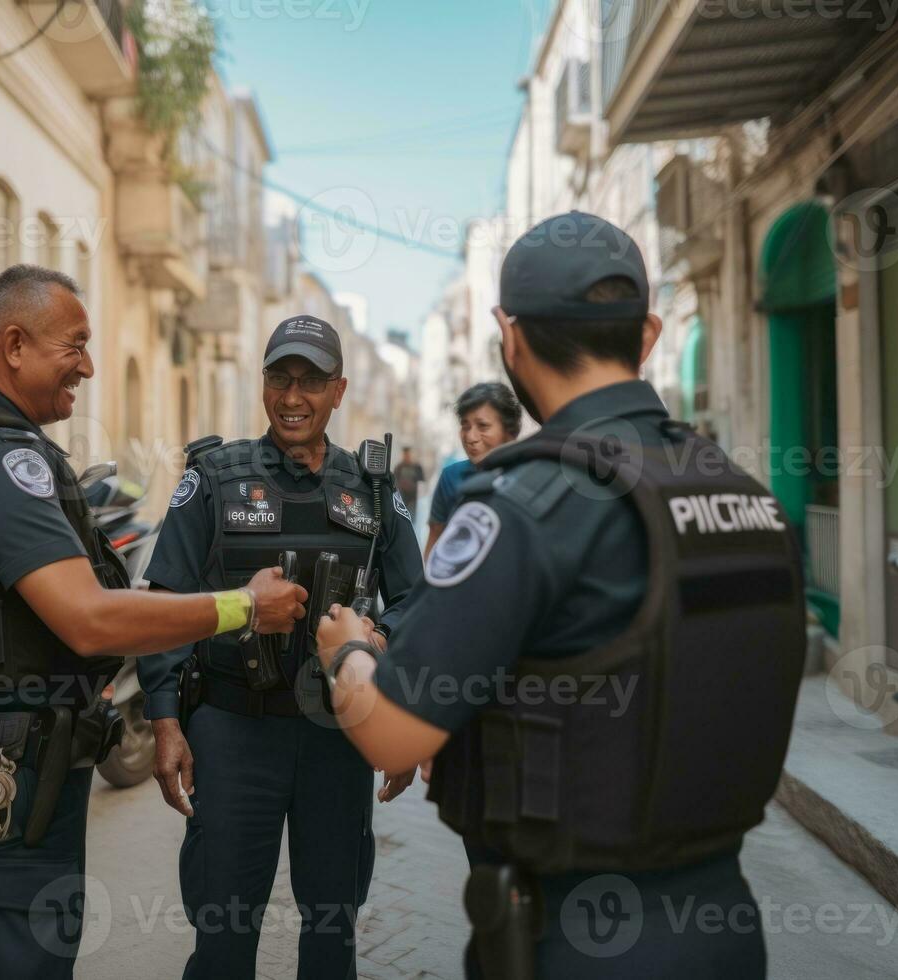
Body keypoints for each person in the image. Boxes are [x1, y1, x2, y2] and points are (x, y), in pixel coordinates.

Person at [316, 212, 806, 979]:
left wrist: (344, 650)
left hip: (582, 935)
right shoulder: (745, 496)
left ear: (508, 337)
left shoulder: (522, 506)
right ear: (646, 334)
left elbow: (392, 737)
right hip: (726, 921)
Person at [0, 264, 306, 979]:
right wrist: (243, 606)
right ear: (14, 344)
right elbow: (87, 619)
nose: (86, 365)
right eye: (73, 345)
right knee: (19, 957)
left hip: (4, 761)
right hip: (4, 774)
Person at [137, 314, 425, 980]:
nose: (293, 396)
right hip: (233, 732)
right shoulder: (212, 477)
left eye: (311, 381)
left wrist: (385, 655)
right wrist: (163, 720)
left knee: (332, 936)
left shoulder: (374, 493)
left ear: (338, 391)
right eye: (279, 378)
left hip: (336, 737)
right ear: (262, 384)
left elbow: (419, 602)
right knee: (223, 936)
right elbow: (162, 604)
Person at [425, 382, 522, 558]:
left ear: (509, 431)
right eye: (465, 426)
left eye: (483, 426)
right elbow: (435, 538)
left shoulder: (529, 476)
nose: (470, 437)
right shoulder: (451, 476)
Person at [393, 447, 426, 522]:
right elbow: (394, 482)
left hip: (413, 499)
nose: (407, 456)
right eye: (405, 454)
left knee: (412, 519)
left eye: (408, 454)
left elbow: (422, 482)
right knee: (402, 519)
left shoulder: (417, 467)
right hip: (402, 499)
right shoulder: (399, 467)